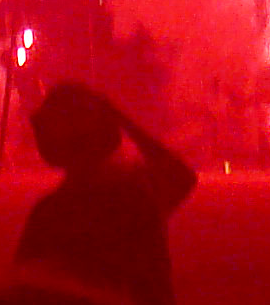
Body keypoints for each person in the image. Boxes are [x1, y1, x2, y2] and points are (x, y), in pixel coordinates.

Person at [12, 81, 198, 305]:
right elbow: (180, 176)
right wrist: (121, 118)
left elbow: (23, 283)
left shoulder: (51, 211)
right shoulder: (135, 198)